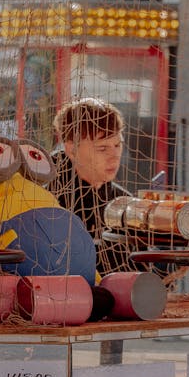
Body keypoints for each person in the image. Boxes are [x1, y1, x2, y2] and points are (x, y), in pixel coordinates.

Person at [48, 98, 134, 273]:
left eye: (118, 145)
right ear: (72, 150)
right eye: (102, 149)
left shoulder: (122, 201)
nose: (114, 156)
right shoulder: (46, 196)